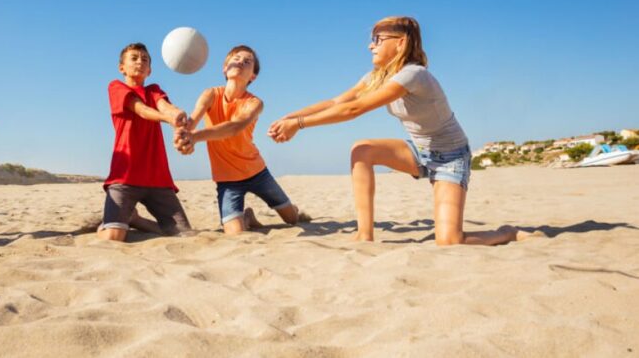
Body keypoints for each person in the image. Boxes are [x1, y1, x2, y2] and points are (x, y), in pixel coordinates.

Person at [267, 16, 525, 246]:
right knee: (362, 150)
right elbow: (337, 102)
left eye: (377, 39)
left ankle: (506, 233)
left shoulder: (414, 75)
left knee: (449, 241)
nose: (371, 46)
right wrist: (290, 117)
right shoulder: (376, 76)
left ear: (400, 43)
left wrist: (299, 126)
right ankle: (364, 235)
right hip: (418, 150)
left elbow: (354, 110)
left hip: (451, 157)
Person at [175, 45, 303, 235]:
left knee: (292, 219)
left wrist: (194, 137)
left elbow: (235, 127)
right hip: (227, 180)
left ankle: (289, 209)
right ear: (224, 68)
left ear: (253, 76)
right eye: (235, 58)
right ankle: (247, 217)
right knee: (235, 233)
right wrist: (183, 134)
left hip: (257, 172)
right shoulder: (211, 94)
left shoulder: (255, 103)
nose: (240, 61)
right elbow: (192, 121)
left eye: (247, 61)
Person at [99, 43, 192, 241]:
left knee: (185, 235)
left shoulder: (153, 90)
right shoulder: (116, 87)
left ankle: (136, 220)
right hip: (125, 176)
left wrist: (176, 114)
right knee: (113, 238)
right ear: (121, 67)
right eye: (134, 58)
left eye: (145, 59)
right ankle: (119, 221)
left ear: (149, 70)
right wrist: (169, 119)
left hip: (158, 178)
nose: (140, 61)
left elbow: (164, 105)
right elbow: (140, 109)